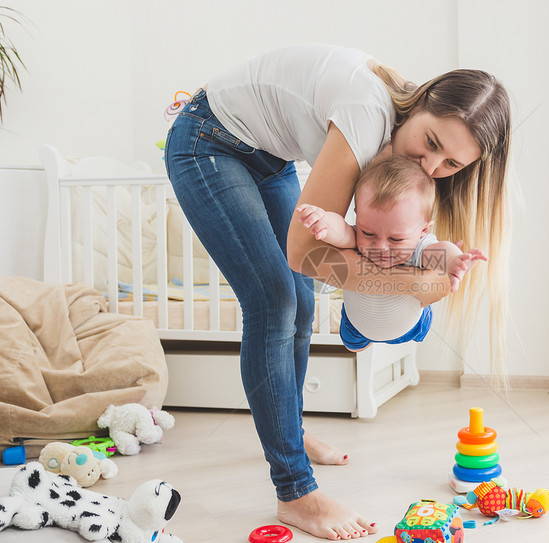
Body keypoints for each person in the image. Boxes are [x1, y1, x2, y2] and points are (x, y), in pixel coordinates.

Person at [164, 43, 512, 541]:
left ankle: (291, 433)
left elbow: (357, 252)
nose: (430, 165)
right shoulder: (367, 114)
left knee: (301, 300)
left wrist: (431, 272)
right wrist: (408, 283)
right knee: (275, 300)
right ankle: (295, 491)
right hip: (208, 140)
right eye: (431, 141)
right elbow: (306, 253)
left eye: (451, 163)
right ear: (423, 99)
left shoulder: (403, 158)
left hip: (267, 157)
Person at [296, 155, 487, 352]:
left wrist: (455, 260)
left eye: (395, 239)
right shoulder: (355, 238)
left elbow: (439, 250)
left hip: (410, 326)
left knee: (432, 268)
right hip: (358, 327)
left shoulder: (418, 246)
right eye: (368, 233)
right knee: (353, 346)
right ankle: (364, 340)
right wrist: (324, 220)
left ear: (423, 231)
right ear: (358, 215)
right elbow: (341, 231)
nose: (380, 247)